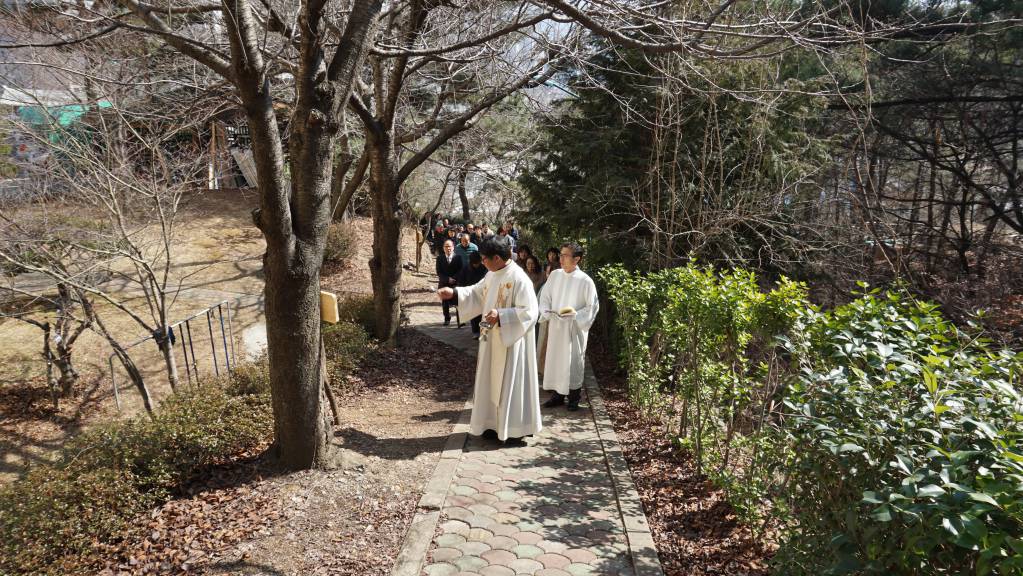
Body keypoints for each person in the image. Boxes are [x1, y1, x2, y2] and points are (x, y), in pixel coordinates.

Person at [437, 235, 542, 444]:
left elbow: (530, 312)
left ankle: (513, 430)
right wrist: (455, 293)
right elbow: (476, 293)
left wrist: (502, 315)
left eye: (485, 258)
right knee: (489, 382)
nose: (481, 261)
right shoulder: (492, 274)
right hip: (490, 340)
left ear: (497, 258)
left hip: (511, 344)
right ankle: (492, 424)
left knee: (508, 383)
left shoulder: (519, 278)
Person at [537, 242, 599, 412]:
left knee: (572, 362)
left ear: (576, 259)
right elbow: (545, 297)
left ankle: (573, 397)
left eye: (565, 255)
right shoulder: (555, 275)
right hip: (556, 326)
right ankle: (557, 395)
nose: (561, 258)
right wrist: (546, 310)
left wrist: (576, 315)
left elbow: (592, 307)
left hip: (573, 329)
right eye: (561, 255)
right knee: (555, 360)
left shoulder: (585, 281)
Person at [457, 251, 488, 337]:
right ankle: (475, 331)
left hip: (482, 294)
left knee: (483, 314)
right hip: (471, 294)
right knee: (474, 313)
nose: (476, 265)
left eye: (478, 263)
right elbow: (461, 282)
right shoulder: (465, 269)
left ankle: (484, 330)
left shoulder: (484, 268)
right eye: (475, 264)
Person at [435, 239, 462, 326]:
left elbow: (460, 270)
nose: (448, 248)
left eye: (450, 246)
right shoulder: (440, 258)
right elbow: (439, 272)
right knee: (445, 303)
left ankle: (460, 320)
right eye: (446, 246)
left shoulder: (458, 258)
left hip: (455, 283)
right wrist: (447, 279)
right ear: (443, 248)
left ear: (453, 247)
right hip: (444, 283)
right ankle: (447, 319)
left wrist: (453, 279)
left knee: (458, 302)